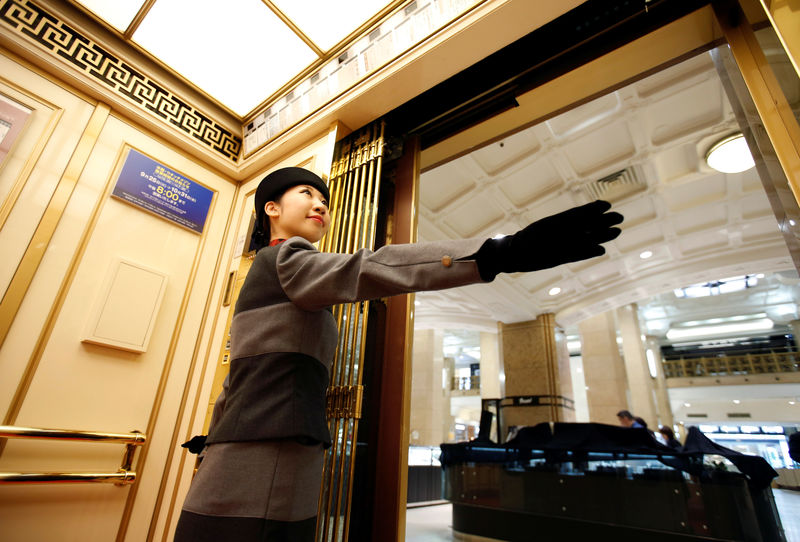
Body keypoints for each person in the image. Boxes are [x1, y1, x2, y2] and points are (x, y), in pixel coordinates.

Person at [174, 166, 623, 542]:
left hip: (239, 443)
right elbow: (370, 268)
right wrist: (495, 254)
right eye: (306, 193)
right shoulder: (287, 257)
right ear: (271, 208)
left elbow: (238, 376)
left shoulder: (261, 271)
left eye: (324, 199)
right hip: (270, 448)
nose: (320, 205)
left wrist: (214, 436)